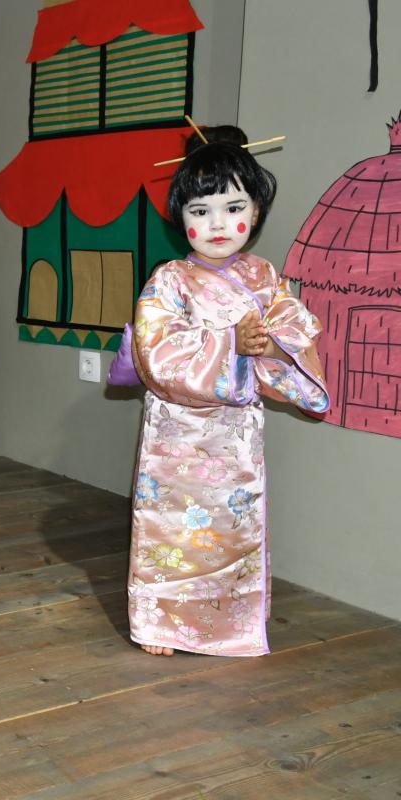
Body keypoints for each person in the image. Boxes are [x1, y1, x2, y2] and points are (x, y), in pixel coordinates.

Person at [128, 125, 328, 657]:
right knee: (172, 529)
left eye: (233, 207)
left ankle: (233, 621)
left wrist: (270, 343)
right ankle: (163, 622)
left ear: (255, 213)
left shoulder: (264, 277)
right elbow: (156, 351)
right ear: (181, 217)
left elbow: (296, 330)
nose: (217, 224)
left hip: (235, 434)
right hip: (177, 435)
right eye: (200, 211)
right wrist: (229, 343)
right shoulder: (169, 280)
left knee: (235, 525)